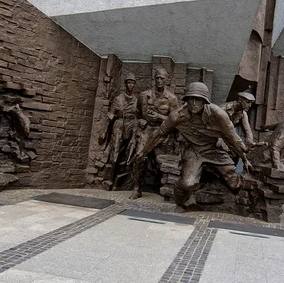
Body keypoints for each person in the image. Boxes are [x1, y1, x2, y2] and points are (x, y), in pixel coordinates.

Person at [134, 82, 252, 211]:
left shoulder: (218, 114)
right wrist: (143, 152)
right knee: (188, 183)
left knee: (234, 183)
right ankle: (180, 201)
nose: (194, 103)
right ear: (186, 100)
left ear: (205, 101)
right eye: (191, 99)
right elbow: (159, 134)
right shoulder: (177, 115)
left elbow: (233, 138)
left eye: (198, 100)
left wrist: (245, 159)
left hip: (214, 149)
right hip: (193, 150)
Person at [129, 67, 178, 199]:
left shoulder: (172, 99)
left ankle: (168, 189)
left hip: (163, 133)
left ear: (166, 80)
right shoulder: (144, 95)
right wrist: (140, 121)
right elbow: (137, 115)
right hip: (147, 131)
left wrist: (159, 117)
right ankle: (137, 188)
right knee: (139, 156)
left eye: (162, 78)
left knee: (167, 161)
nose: (159, 81)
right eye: (157, 78)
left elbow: (175, 121)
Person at [99, 73, 140, 189]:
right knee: (115, 154)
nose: (130, 85)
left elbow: (137, 117)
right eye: (129, 82)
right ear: (125, 84)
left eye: (132, 83)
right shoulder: (118, 99)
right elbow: (110, 116)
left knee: (130, 153)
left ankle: (125, 180)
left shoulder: (136, 101)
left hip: (131, 126)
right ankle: (109, 180)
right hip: (119, 125)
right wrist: (104, 131)